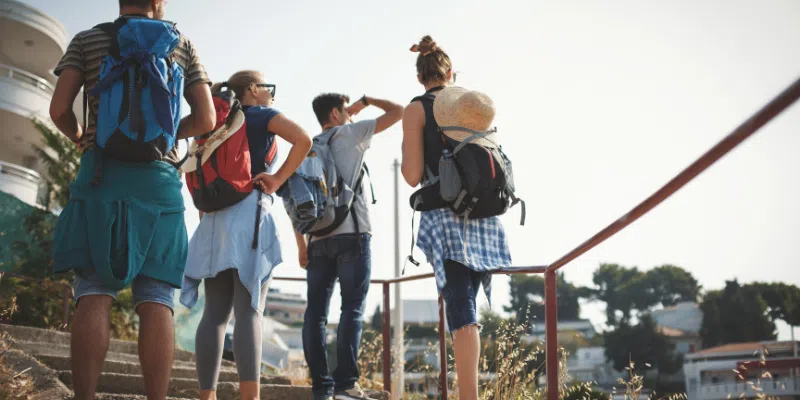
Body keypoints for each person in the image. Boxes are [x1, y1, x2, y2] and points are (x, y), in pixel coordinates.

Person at [48, 0, 216, 399]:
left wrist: (81, 138)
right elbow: (208, 119)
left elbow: (58, 110)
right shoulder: (182, 45)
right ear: (158, 3)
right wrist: (170, 133)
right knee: (157, 297)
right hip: (159, 181)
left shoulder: (86, 40)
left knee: (92, 289)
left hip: (100, 173)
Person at [179, 70, 312, 400]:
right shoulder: (261, 115)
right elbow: (304, 140)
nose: (270, 94)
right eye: (268, 87)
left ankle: (206, 396)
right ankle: (249, 396)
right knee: (250, 311)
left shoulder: (216, 123)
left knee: (214, 315)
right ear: (253, 89)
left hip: (213, 220)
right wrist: (278, 179)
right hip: (248, 215)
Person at [400, 36, 513, 400]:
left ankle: (468, 396)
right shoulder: (471, 106)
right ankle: (469, 391)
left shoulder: (416, 109)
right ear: (451, 73)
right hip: (485, 215)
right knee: (468, 305)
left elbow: (412, 175)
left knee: (461, 307)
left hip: (445, 218)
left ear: (420, 78)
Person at [298, 93, 403, 400]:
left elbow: (297, 200)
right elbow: (399, 111)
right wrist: (365, 101)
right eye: (345, 110)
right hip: (352, 236)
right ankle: (346, 383)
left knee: (314, 314)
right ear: (335, 112)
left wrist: (302, 245)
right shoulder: (350, 133)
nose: (351, 114)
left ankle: (321, 386)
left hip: (316, 240)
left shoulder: (306, 146)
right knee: (351, 309)